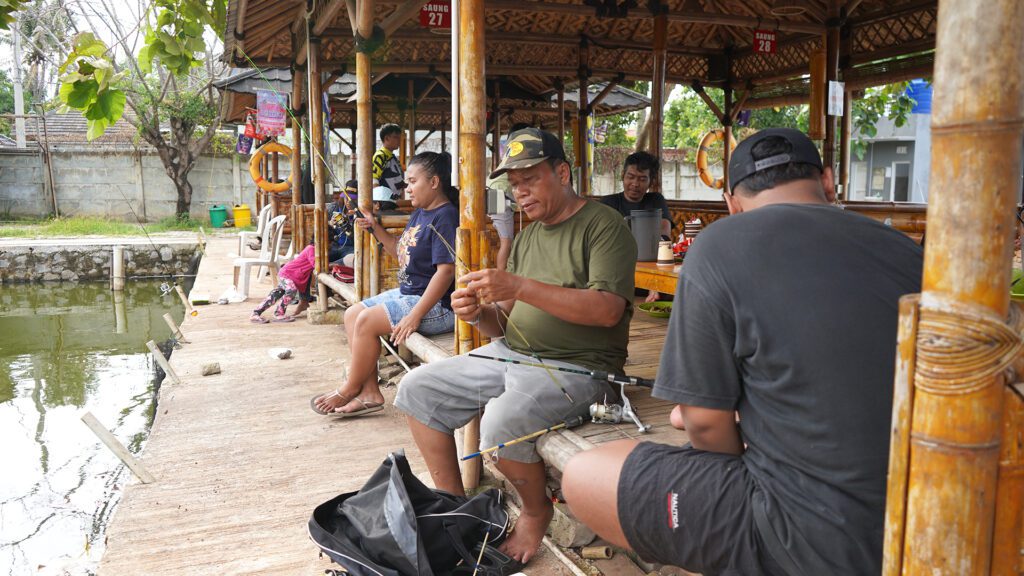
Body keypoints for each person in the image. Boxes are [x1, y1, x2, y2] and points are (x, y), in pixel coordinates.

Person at [561, 128, 924, 576]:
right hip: (916, 511)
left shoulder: (718, 246)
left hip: (806, 537)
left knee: (583, 476)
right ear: (828, 182)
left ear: (731, 202)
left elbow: (702, 422)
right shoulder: (906, 251)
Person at [394, 128, 637, 564]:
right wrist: (474, 314)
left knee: (501, 425)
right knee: (416, 388)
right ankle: (454, 505)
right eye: (515, 185)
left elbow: (607, 311)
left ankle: (535, 511)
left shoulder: (605, 225)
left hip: (583, 368)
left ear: (562, 173)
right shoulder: (526, 238)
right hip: (516, 354)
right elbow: (503, 324)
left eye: (530, 180)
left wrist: (521, 286)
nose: (520, 193)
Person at [311, 151, 459, 417]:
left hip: (438, 307)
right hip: (411, 295)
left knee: (366, 321)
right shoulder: (420, 214)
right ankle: (369, 392)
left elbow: (446, 273)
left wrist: (414, 317)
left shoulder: (445, 216)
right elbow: (399, 253)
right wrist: (374, 228)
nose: (407, 188)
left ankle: (348, 388)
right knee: (352, 314)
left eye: (413, 182)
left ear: (434, 182)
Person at [598, 151, 672, 302]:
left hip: (649, 278)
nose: (635, 184)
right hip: (616, 278)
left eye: (642, 179)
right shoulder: (608, 203)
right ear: (622, 175)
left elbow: (664, 235)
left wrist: (654, 280)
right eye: (630, 177)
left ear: (651, 182)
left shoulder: (656, 200)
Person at [249, 243, 316, 323]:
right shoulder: (311, 248)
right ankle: (279, 313)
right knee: (291, 290)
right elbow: (315, 264)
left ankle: (255, 313)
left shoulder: (312, 248)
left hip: (289, 274)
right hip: (288, 273)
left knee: (276, 294)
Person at [372, 123, 405, 200]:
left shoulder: (393, 157)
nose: (399, 140)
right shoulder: (380, 156)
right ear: (386, 138)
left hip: (395, 201)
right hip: (385, 202)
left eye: (399, 137)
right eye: (396, 137)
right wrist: (380, 200)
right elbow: (373, 179)